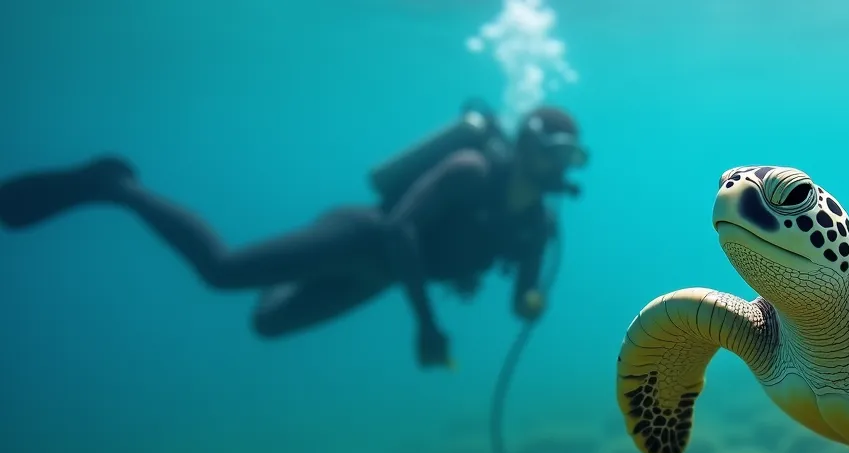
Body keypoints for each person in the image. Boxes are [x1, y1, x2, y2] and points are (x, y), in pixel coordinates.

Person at [0, 100, 588, 369]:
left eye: (570, 157)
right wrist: (426, 325)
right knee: (221, 271)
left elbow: (522, 298)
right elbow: (399, 230)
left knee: (267, 324)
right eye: (550, 152)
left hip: (380, 277)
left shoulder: (540, 224)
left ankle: (290, 267)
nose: (558, 167)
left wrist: (530, 304)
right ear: (525, 146)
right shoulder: (469, 172)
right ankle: (117, 185)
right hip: (361, 239)